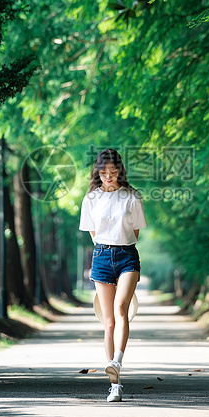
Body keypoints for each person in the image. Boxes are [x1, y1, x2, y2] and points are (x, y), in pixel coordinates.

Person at [79, 148, 147, 402]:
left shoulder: (132, 196)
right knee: (108, 321)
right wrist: (107, 247)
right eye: (104, 172)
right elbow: (93, 233)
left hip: (128, 256)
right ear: (97, 171)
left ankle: (117, 362)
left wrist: (120, 244)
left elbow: (136, 233)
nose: (109, 176)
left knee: (121, 309)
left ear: (120, 171)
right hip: (101, 257)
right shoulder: (90, 199)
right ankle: (115, 386)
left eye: (113, 171)